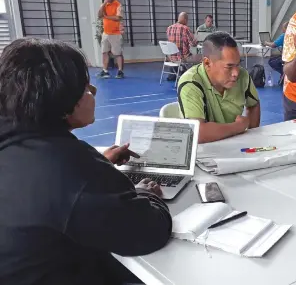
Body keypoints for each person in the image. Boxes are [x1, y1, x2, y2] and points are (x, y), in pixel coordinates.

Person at [0, 38, 172, 285]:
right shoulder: (68, 166)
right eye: (87, 89)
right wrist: (146, 193)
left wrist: (99, 165)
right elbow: (148, 232)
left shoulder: (17, 144)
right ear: (65, 103)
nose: (93, 95)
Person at [177, 32, 260, 143]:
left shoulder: (243, 76)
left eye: (238, 64)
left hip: (235, 146)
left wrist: (251, 137)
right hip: (204, 152)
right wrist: (238, 127)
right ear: (207, 63)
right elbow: (198, 132)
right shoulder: (191, 83)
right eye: (229, 66)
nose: (236, 73)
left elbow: (253, 104)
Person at [97, 0, 125, 79]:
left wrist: (106, 16)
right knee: (104, 52)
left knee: (118, 53)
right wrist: (103, 5)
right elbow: (99, 15)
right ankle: (105, 71)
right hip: (106, 34)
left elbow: (118, 17)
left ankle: (120, 71)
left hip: (115, 34)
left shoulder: (118, 5)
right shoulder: (105, 5)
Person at [166, 12, 202, 80]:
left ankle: (173, 75)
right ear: (185, 19)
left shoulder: (169, 28)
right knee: (201, 57)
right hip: (183, 58)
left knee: (176, 54)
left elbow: (170, 43)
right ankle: (194, 76)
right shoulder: (185, 28)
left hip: (171, 58)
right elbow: (193, 44)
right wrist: (197, 39)